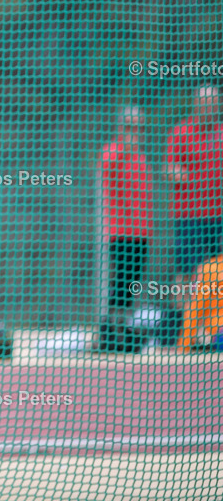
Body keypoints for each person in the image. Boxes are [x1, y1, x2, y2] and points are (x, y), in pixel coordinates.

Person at [95, 105, 151, 352]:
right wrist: (124, 149)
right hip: (120, 232)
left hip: (141, 232)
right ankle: (111, 331)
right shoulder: (112, 152)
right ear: (121, 127)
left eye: (137, 127)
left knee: (132, 283)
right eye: (129, 126)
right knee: (118, 281)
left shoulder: (141, 157)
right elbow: (108, 170)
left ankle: (124, 329)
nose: (134, 132)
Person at [167, 85, 223, 284]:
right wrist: (189, 178)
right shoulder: (181, 131)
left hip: (218, 216)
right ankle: (183, 315)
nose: (209, 109)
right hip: (190, 216)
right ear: (196, 105)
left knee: (218, 271)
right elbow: (169, 168)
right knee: (187, 272)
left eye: (213, 105)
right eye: (205, 104)